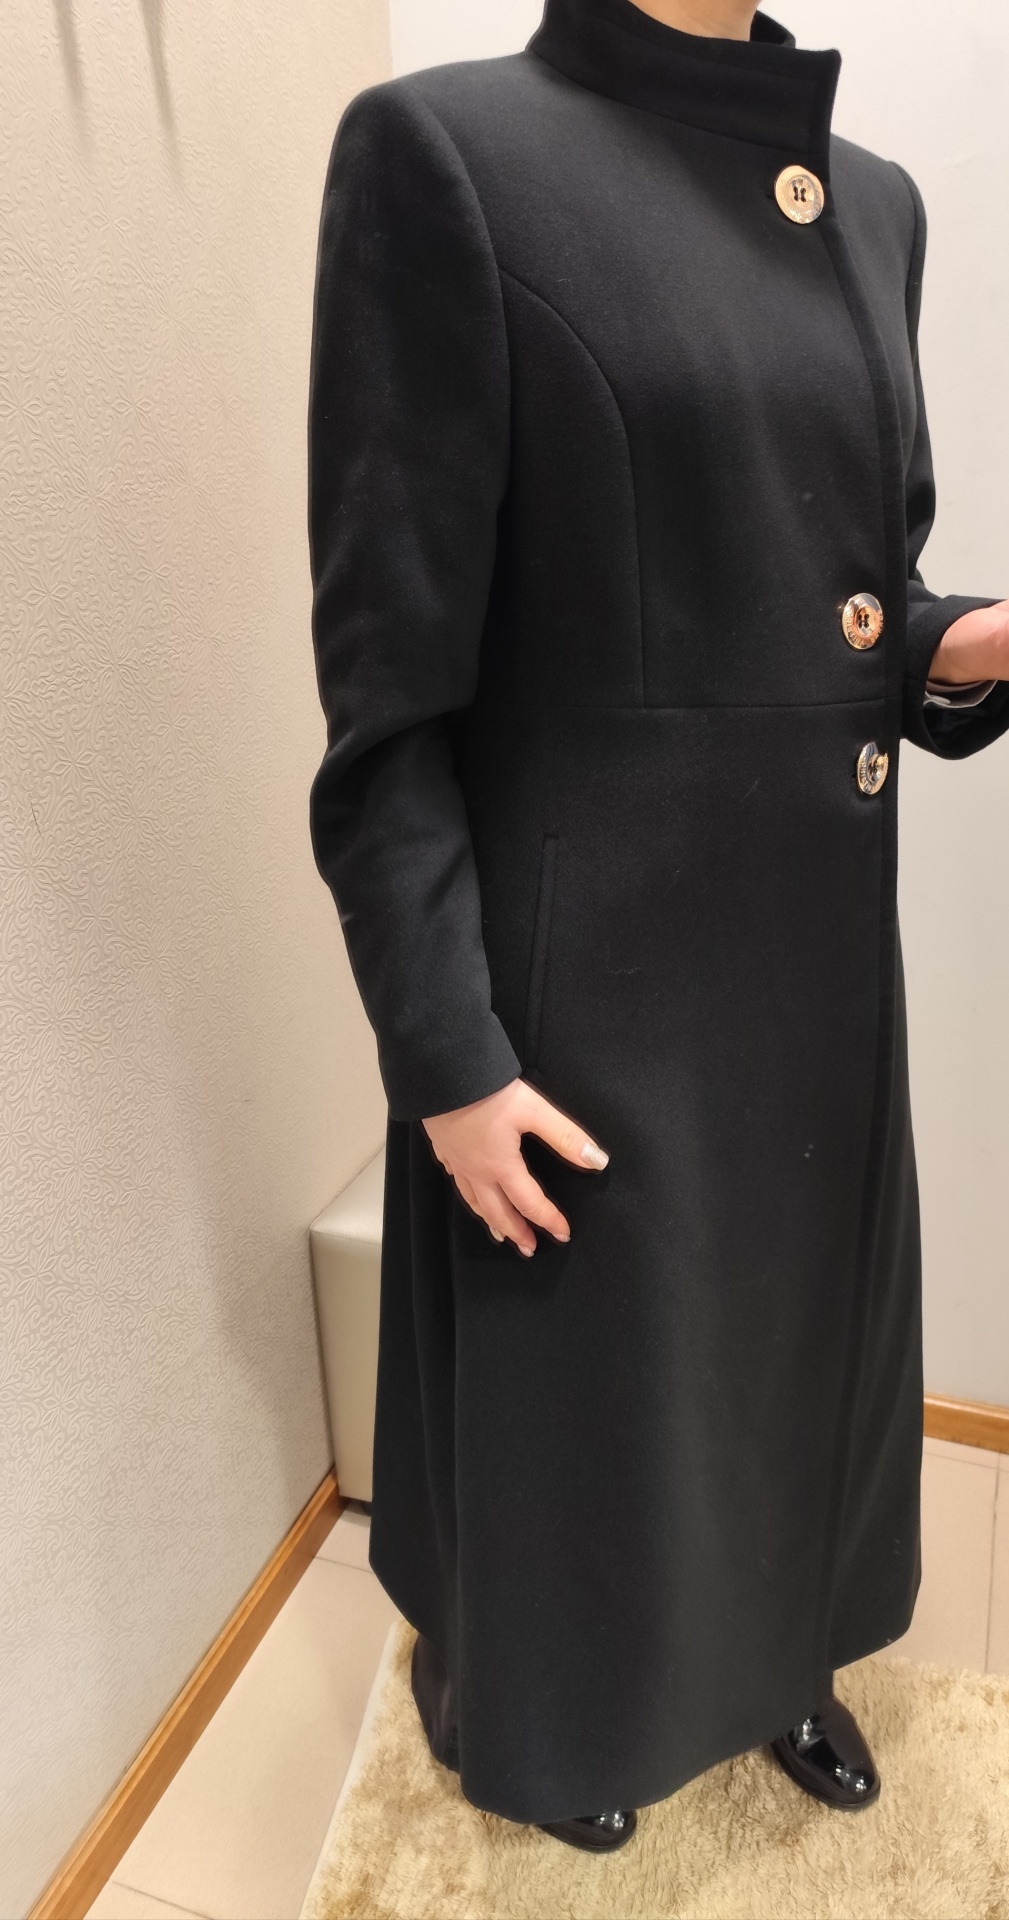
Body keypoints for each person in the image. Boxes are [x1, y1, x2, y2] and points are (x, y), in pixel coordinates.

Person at [306, 0, 1009, 1854]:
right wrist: (447, 1054)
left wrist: (962, 639)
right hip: (588, 981)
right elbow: (388, 709)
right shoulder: (450, 158)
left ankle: (772, 1656)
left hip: (811, 969)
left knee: (790, 1362)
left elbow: (838, 592)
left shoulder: (875, 203)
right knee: (587, 1400)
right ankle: (548, 1704)